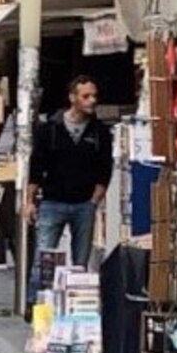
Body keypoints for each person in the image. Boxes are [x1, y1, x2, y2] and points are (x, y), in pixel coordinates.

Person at [25, 75, 113, 302]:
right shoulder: (50, 129)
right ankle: (37, 305)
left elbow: (105, 169)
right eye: (86, 96)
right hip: (53, 201)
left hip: (84, 203)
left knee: (80, 262)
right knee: (44, 258)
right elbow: (36, 165)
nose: (92, 101)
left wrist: (94, 200)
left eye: (94, 96)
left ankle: (76, 306)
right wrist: (29, 201)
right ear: (73, 98)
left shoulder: (99, 132)